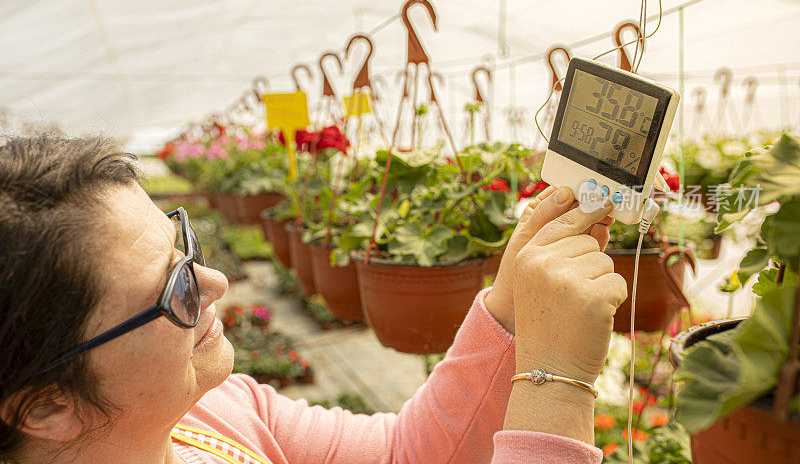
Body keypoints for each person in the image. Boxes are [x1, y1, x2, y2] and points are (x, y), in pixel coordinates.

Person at [0, 134, 625, 463]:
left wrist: (511, 302)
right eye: (175, 290)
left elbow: (405, 455)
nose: (214, 282)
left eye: (182, 244)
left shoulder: (212, 414)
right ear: (48, 408)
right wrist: (557, 382)